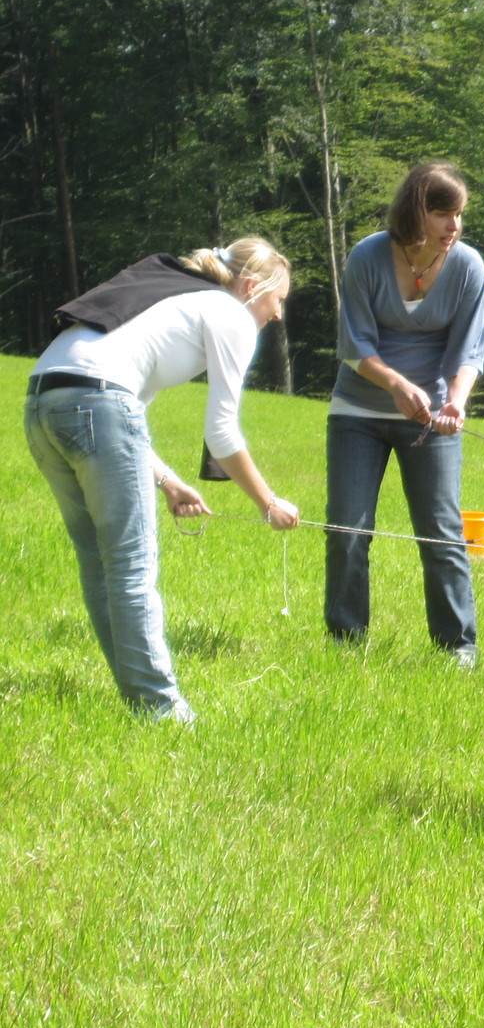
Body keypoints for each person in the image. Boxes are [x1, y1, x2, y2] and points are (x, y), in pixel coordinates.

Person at [25, 238, 302, 724]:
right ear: (253, 287)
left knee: (99, 563)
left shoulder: (173, 300)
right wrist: (268, 503)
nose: (278, 315)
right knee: (131, 567)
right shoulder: (231, 314)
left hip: (42, 404)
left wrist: (169, 481)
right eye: (278, 301)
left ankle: (141, 702)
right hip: (96, 404)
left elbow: (123, 411)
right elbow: (220, 433)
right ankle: (161, 711)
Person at [324, 161, 484, 665]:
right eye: (443, 214)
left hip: (432, 420)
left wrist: (455, 403)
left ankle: (457, 649)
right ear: (416, 212)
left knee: (441, 534)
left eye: (459, 215)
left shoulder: (467, 266)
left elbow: (468, 351)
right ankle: (345, 646)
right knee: (347, 532)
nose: (453, 227)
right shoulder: (367, 257)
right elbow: (354, 345)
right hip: (358, 411)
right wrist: (397, 386)